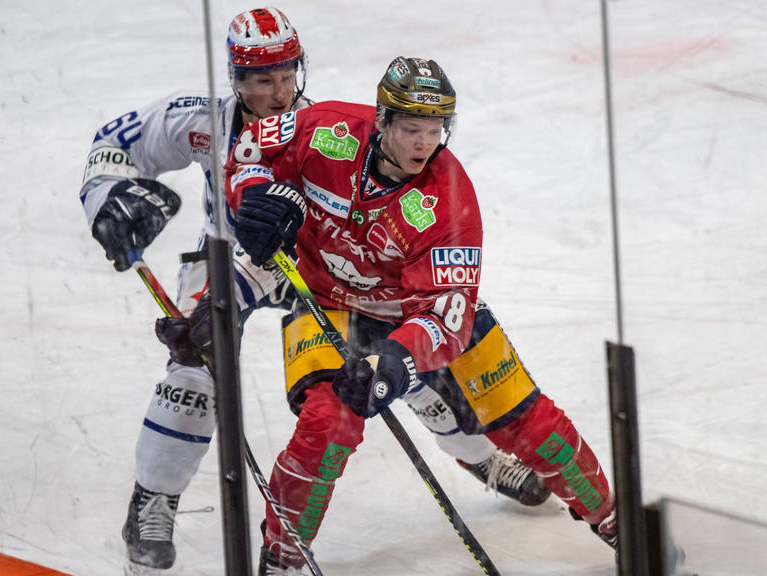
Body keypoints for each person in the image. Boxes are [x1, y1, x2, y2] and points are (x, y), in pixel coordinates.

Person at [78, 8, 547, 571]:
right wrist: (102, 197)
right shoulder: (199, 117)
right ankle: (153, 498)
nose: (277, 92)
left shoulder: (321, 127)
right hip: (231, 255)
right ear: (233, 77)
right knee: (196, 361)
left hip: (320, 265)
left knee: (400, 358)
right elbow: (114, 146)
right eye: (260, 79)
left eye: (286, 75)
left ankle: (480, 457)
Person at [214, 56, 618, 574]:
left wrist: (398, 358)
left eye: (434, 130)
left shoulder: (451, 198)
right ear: (381, 120)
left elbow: (448, 315)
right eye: (410, 129)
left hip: (415, 317)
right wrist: (253, 196)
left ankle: (613, 521)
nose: (424, 144)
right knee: (327, 424)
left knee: (528, 423)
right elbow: (249, 149)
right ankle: (282, 556)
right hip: (329, 304)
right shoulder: (327, 128)